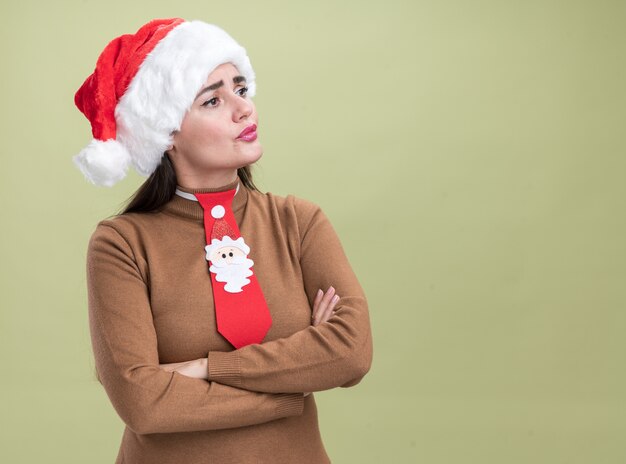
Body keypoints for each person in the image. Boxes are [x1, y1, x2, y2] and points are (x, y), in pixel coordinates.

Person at [74, 18, 373, 464]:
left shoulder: (299, 222)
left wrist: (204, 369)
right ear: (167, 133)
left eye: (241, 89)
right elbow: (142, 403)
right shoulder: (121, 244)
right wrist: (291, 388)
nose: (243, 109)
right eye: (213, 99)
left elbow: (352, 352)